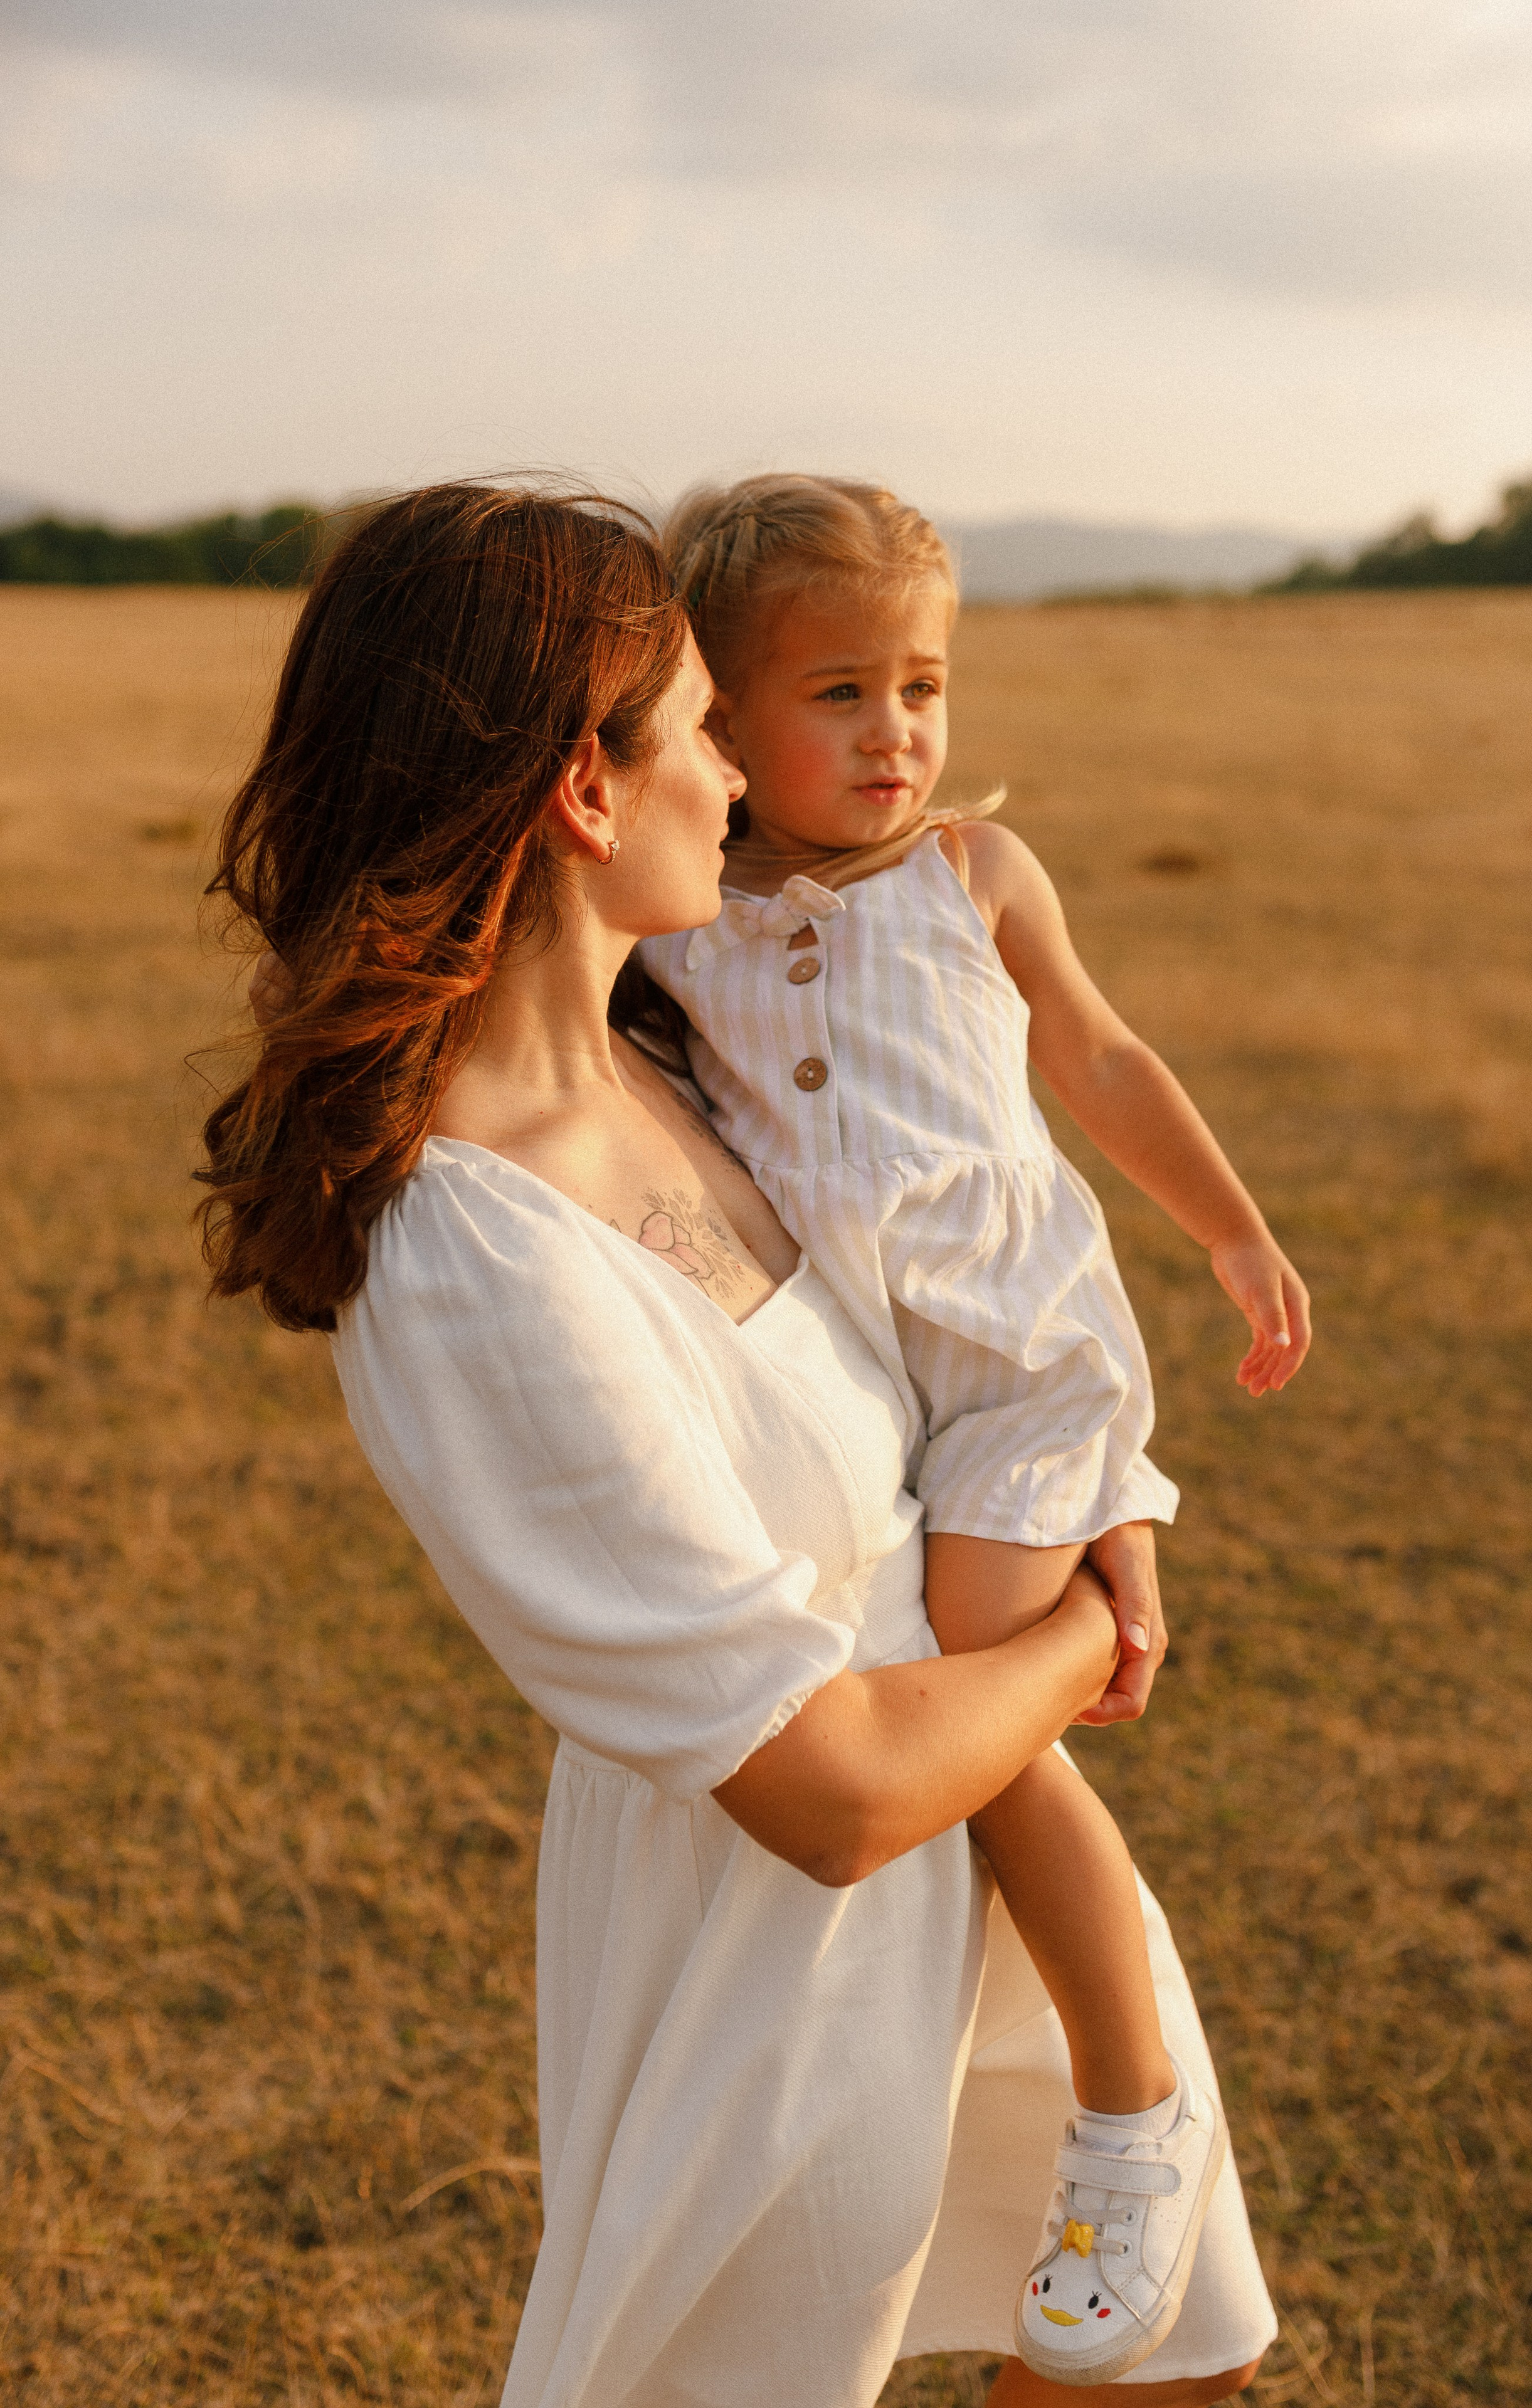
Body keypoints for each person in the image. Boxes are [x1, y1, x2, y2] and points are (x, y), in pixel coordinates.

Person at [201, 480, 1275, 2406]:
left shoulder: (668, 1051)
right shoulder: (467, 1249)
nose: (736, 779)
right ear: (586, 794)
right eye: (702, 724)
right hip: (785, 1967)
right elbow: (826, 1790)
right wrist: (1075, 1648)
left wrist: (1076, 1492)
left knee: (1155, 2353)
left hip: (982, 1835)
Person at [635, 473, 1311, 2384]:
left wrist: (1235, 1231)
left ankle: (1130, 2094)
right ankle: (1009, 2097)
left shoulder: (977, 882)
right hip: (867, 1393)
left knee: (980, 1715)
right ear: (724, 729)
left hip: (1018, 1375)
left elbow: (1102, 1055)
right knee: (940, 1699)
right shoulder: (690, 922)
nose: (898, 733)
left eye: (922, 685)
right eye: (838, 693)